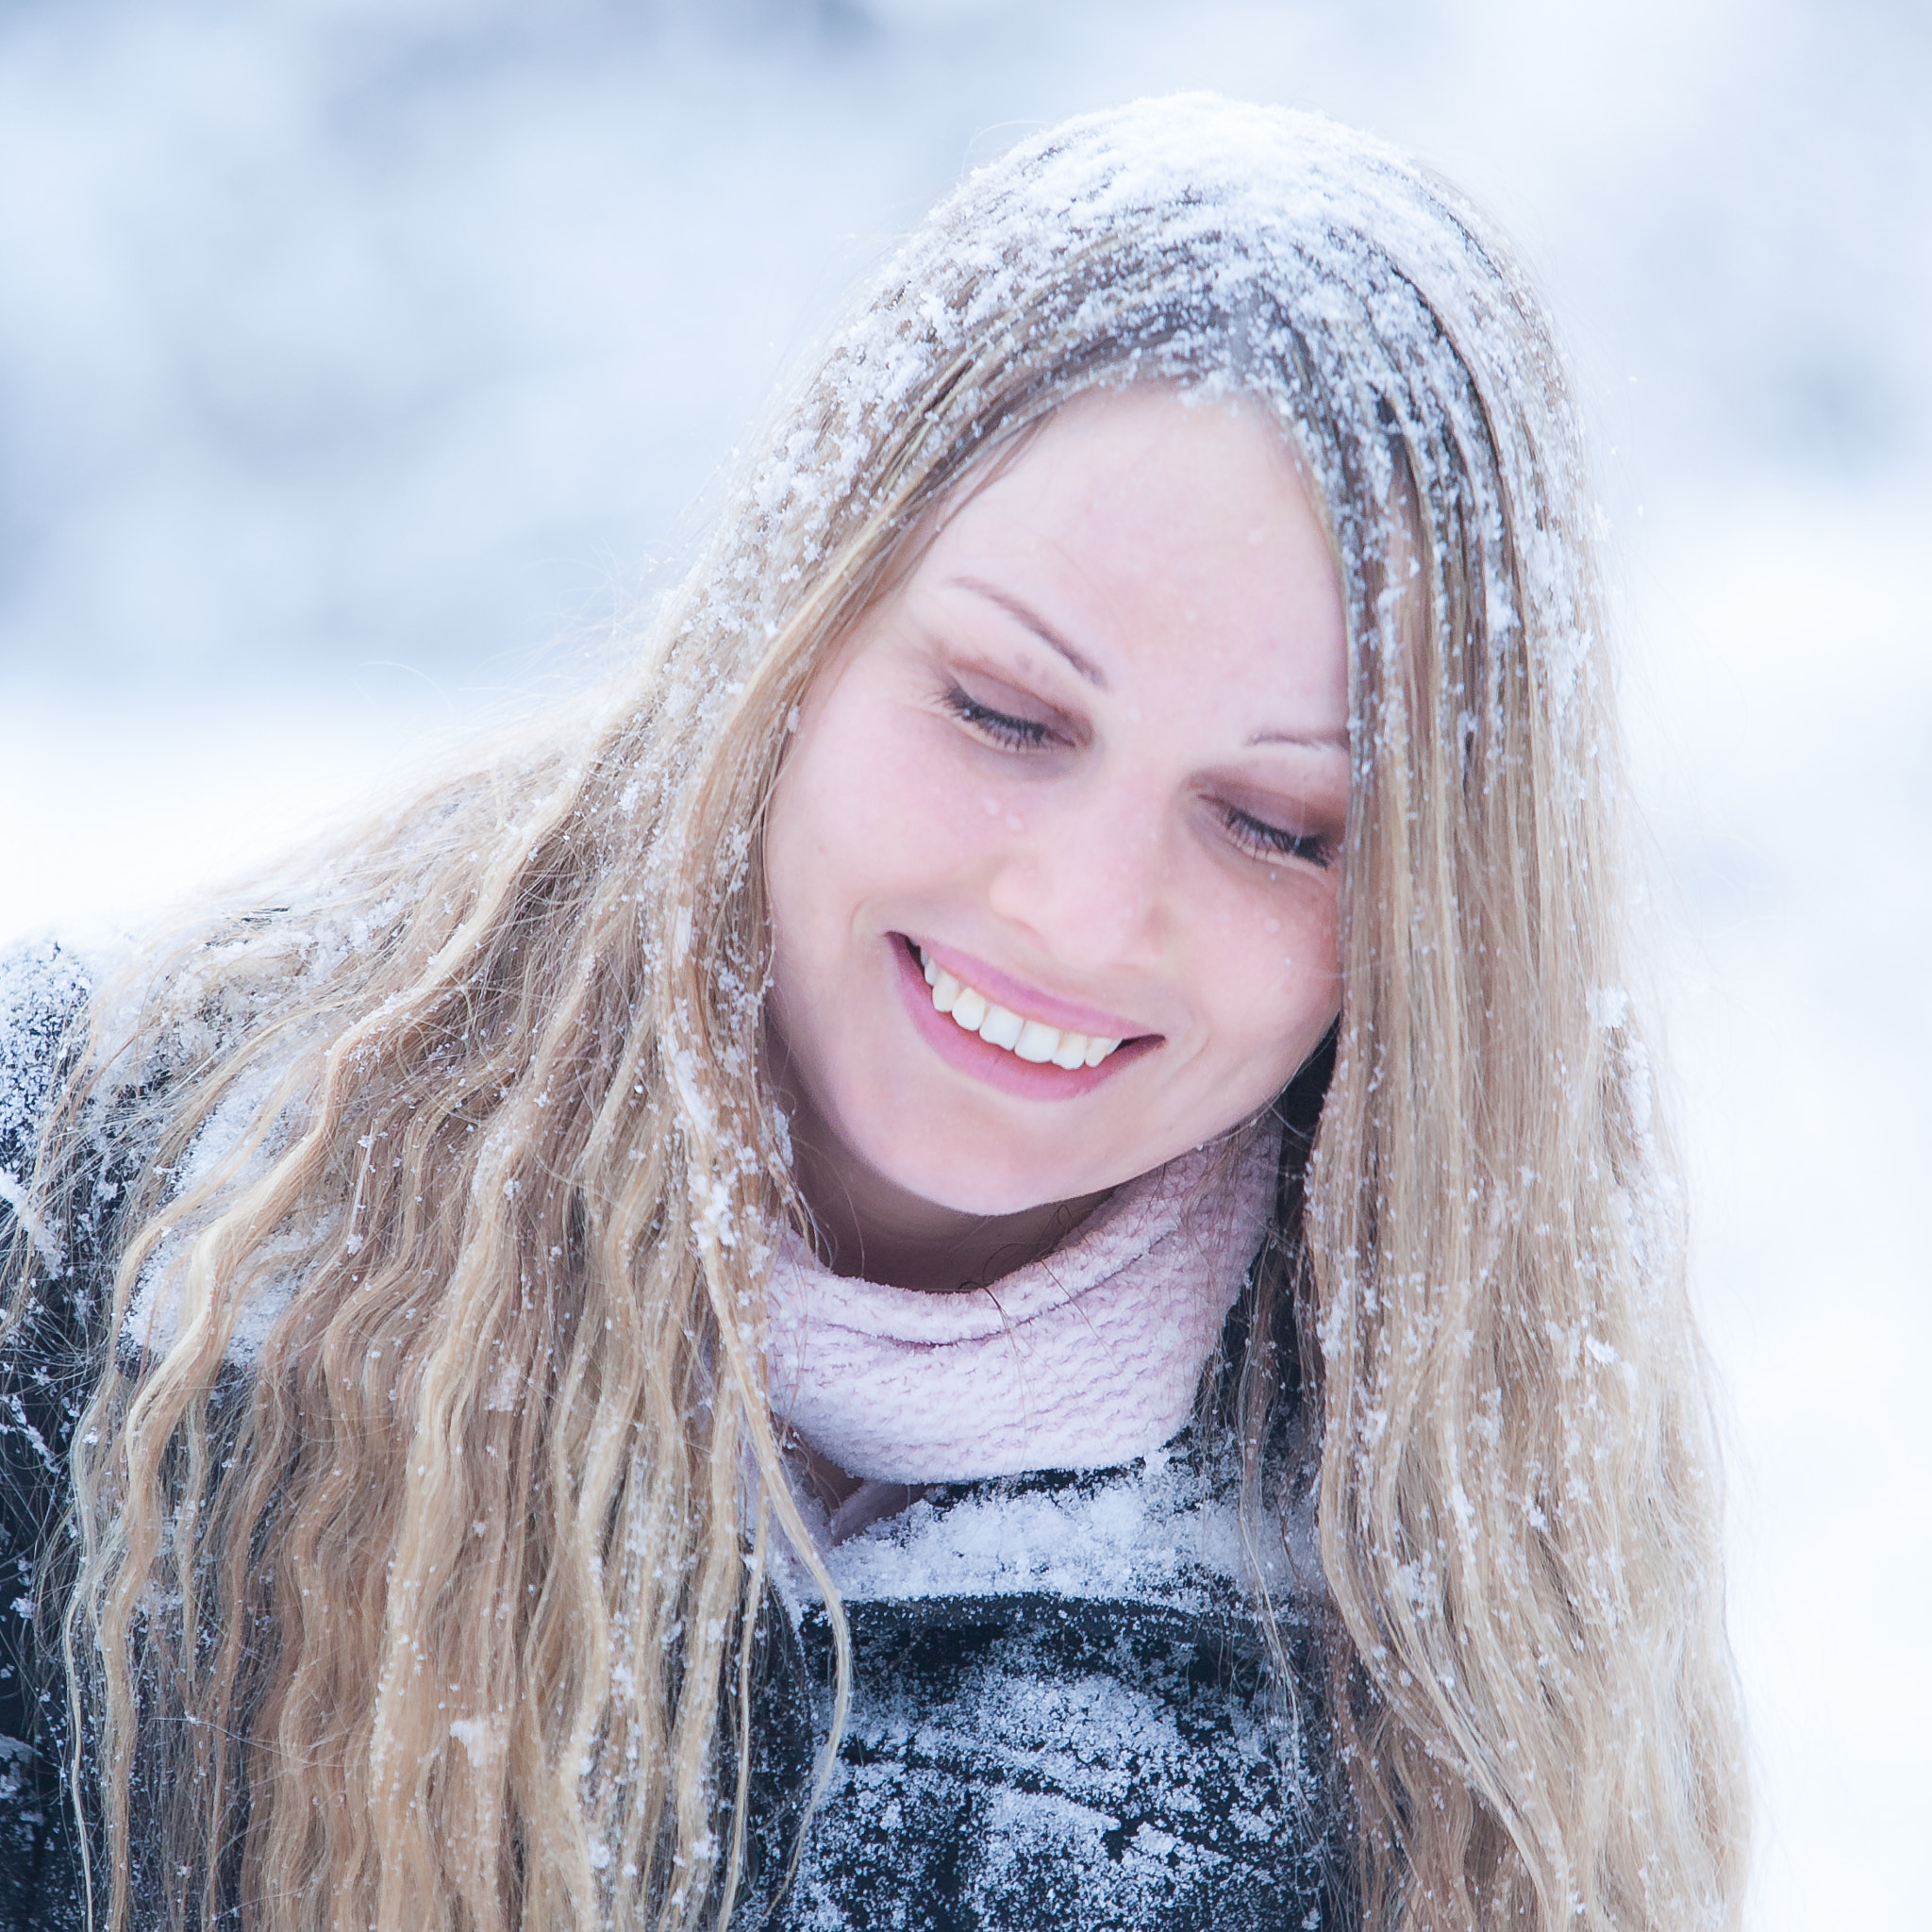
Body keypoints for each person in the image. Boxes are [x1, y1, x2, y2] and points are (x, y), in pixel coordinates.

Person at [0, 94, 1747, 1932]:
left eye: (1275, 824)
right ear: (796, 623)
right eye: (1002, 709)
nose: (1075, 909)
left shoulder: (1439, 1662)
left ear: (1444, 923)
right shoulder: (89, 1227)